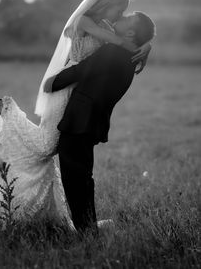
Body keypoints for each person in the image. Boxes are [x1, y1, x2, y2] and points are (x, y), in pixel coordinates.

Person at [0, 0, 151, 227]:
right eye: (120, 10)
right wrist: (135, 44)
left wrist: (145, 45)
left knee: (52, 150)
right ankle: (6, 111)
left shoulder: (110, 34)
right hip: (66, 90)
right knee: (50, 148)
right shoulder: (87, 22)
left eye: (125, 15)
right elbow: (111, 45)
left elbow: (112, 50)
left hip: (76, 97)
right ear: (107, 4)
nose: (120, 16)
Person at [43, 12, 156, 233]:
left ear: (130, 32)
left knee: (75, 177)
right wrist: (147, 45)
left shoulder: (112, 51)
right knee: (83, 175)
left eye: (128, 17)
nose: (122, 15)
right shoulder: (128, 56)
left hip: (80, 119)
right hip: (93, 121)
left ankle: (86, 231)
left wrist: (52, 82)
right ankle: (88, 226)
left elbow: (81, 71)